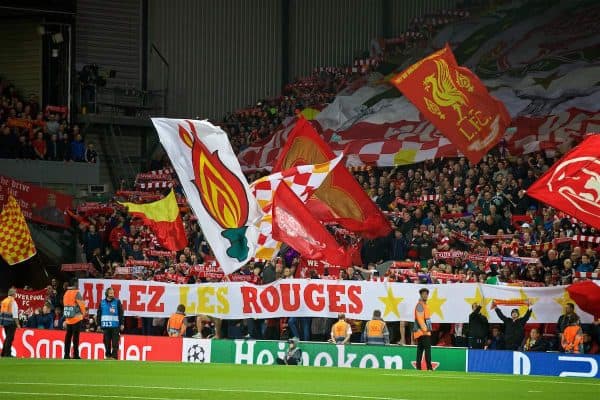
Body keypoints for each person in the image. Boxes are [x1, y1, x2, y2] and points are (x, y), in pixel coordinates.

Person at [96, 287, 124, 360]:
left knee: (115, 343)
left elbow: (121, 313)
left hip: (115, 326)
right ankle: (108, 356)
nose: (112, 294)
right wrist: (98, 325)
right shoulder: (102, 302)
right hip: (105, 326)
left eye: (113, 293)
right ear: (107, 294)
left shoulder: (117, 302)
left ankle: (114, 356)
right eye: (110, 293)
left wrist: (122, 324)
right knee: (106, 342)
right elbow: (99, 314)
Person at [63, 279, 87, 359]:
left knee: (68, 337)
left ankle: (66, 354)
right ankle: (75, 354)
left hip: (68, 318)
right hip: (77, 318)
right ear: (75, 284)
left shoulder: (66, 293)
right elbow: (82, 305)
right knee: (75, 338)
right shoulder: (76, 293)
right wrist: (83, 314)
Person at [413, 288, 433, 370]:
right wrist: (426, 330)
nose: (425, 295)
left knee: (420, 349)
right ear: (421, 295)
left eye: (426, 294)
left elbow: (426, 318)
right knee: (427, 349)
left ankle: (418, 367)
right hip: (422, 331)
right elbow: (420, 319)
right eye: (424, 294)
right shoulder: (420, 305)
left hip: (421, 331)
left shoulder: (424, 305)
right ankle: (429, 367)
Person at [0, 288, 20, 357]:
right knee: (10, 338)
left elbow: (2, 312)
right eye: (15, 293)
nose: (16, 294)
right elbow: (15, 315)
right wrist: (17, 324)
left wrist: (1, 322)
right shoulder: (13, 302)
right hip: (11, 322)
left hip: (5, 322)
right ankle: (7, 354)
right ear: (13, 294)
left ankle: (3, 353)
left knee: (7, 338)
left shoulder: (4, 301)